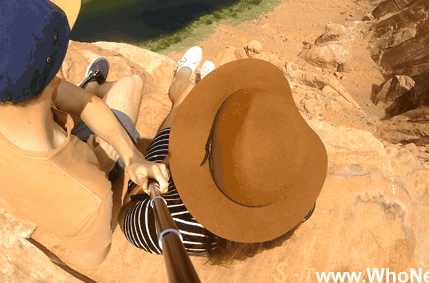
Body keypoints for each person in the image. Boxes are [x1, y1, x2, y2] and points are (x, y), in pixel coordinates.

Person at [0, 0, 169, 269]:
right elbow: (94, 259)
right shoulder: (88, 197)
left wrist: (133, 156)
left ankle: (92, 85)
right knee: (130, 86)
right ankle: (93, 89)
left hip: (17, 166)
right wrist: (109, 167)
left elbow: (83, 103)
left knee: (91, 99)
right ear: (56, 77)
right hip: (72, 183)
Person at [121, 47, 328, 263]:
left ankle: (182, 75)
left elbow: (126, 212)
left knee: (186, 95)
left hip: (166, 180)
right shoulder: (294, 208)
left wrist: (171, 160)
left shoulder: (158, 226)